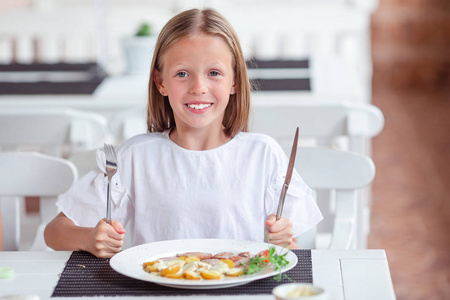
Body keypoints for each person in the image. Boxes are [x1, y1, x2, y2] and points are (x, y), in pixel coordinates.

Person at [44, 8, 322, 258]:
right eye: (182, 74)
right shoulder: (135, 156)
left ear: (235, 81)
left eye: (214, 72)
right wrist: (89, 238)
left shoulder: (263, 154)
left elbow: (295, 243)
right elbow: (55, 231)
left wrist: (285, 240)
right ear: (160, 82)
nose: (198, 87)